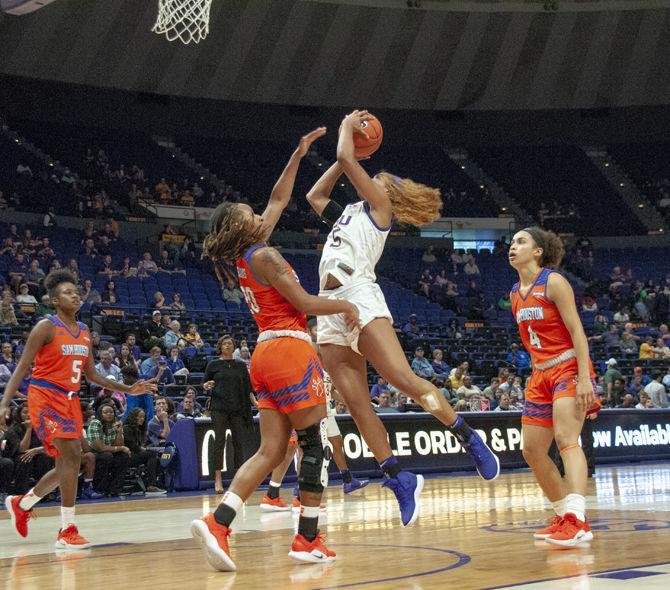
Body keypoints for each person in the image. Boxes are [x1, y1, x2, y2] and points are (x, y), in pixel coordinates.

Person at [304, 110, 500, 529]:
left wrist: (346, 134)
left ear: (386, 191)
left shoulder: (379, 208)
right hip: (329, 303)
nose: (371, 176)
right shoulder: (349, 211)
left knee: (402, 379)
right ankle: (398, 477)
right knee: (356, 405)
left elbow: (345, 154)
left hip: (359, 293)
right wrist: (344, 159)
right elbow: (314, 199)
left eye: (377, 175)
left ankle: (470, 439)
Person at [191, 127, 359, 571]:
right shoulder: (266, 256)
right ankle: (307, 539)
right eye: (251, 212)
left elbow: (279, 198)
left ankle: (220, 521)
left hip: (263, 356)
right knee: (314, 446)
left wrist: (299, 153)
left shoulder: (246, 257)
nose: (260, 212)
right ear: (241, 226)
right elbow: (304, 304)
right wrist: (347, 304)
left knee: (269, 452)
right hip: (289, 349)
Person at [0, 270, 156, 549]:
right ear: (54, 300)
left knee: (69, 463)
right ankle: (67, 530)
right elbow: (22, 367)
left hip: (71, 400)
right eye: (68, 292)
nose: (75, 295)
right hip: (45, 395)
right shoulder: (45, 327)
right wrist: (3, 404)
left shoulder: (84, 331)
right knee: (72, 456)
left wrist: (128, 389)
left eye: (76, 291)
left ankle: (22, 503)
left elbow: (93, 375)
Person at [508, 227, 600, 547]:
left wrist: (585, 377)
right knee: (532, 450)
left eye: (521, 241)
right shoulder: (514, 293)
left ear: (537, 251)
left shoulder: (554, 281)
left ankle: (577, 519)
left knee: (566, 441)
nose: (513, 246)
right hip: (540, 374)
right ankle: (562, 515)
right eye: (512, 242)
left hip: (567, 366)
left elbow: (577, 330)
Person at [201, 335, 255, 494]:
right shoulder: (213, 364)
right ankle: (218, 479)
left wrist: (255, 403)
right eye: (224, 343)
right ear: (220, 347)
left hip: (237, 408)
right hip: (219, 408)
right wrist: (207, 385)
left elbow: (248, 387)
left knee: (239, 442)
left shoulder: (240, 365)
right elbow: (204, 384)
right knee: (219, 442)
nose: (227, 346)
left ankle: (239, 480)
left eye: (230, 343)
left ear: (234, 347)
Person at [122, 408, 166, 494]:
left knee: (157, 455)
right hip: (127, 457)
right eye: (140, 417)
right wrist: (146, 449)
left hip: (135, 455)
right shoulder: (126, 429)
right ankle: (151, 485)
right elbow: (134, 447)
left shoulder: (139, 430)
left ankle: (153, 483)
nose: (142, 419)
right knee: (151, 454)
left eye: (143, 417)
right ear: (133, 417)